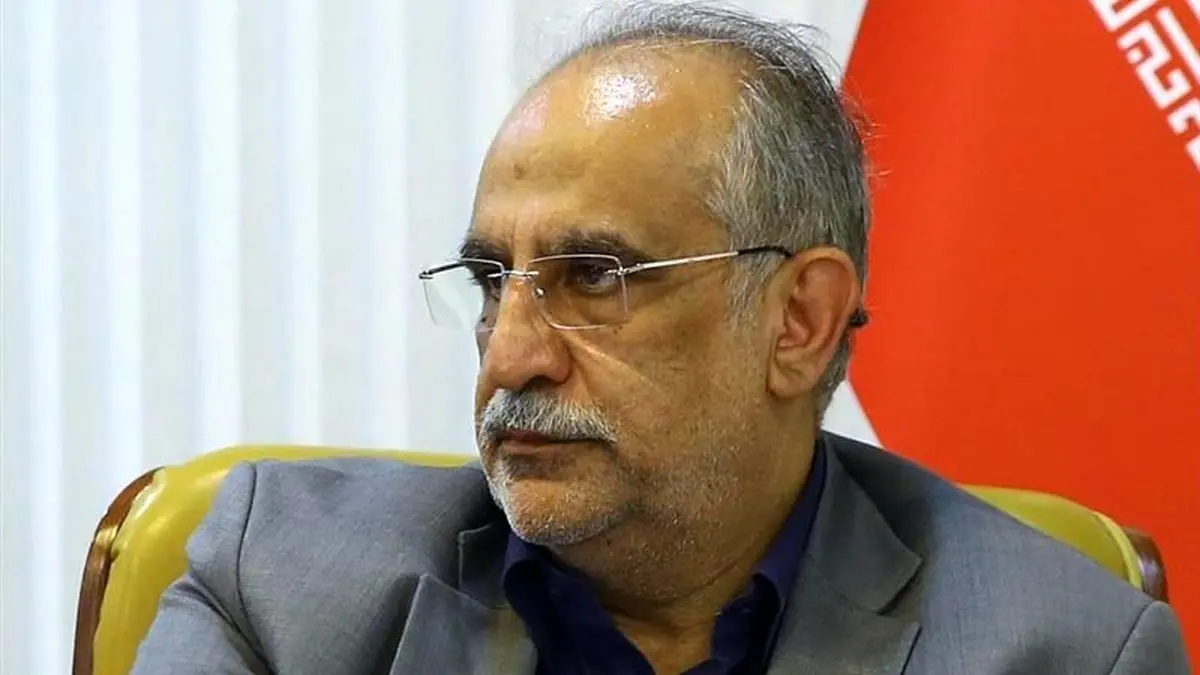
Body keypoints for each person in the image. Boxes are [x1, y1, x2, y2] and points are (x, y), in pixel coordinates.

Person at [132, 3, 1191, 674]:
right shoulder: (279, 585)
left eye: (594, 277)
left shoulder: (1058, 649)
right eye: (494, 281)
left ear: (799, 320)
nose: (509, 358)